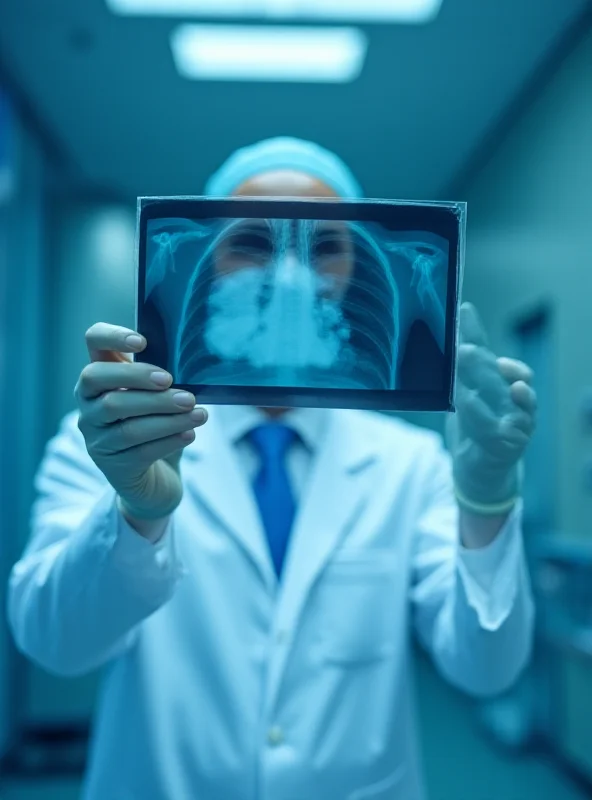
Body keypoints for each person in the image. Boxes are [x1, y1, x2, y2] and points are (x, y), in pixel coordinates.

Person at [8, 138, 537, 800]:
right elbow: (55, 643)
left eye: (325, 247)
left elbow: (486, 668)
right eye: (252, 243)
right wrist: (134, 515)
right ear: (202, 262)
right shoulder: (114, 440)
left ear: (360, 270)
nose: (291, 274)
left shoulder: (410, 463)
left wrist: (486, 498)